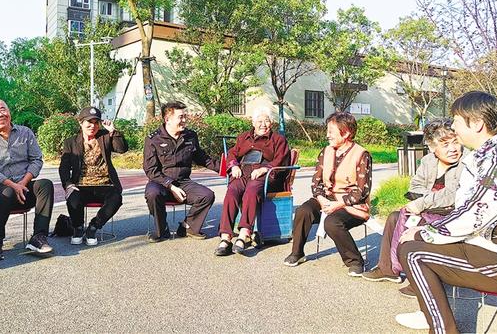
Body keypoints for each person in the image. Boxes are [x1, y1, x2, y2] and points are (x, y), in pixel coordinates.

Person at [396, 91, 497, 333]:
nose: (453, 127)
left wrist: (424, 232)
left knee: (413, 252)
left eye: (456, 120)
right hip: (485, 243)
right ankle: (434, 317)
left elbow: (475, 212)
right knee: (412, 245)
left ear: (477, 123)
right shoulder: (484, 155)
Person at [362, 118, 464, 297]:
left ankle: (421, 279)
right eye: (445, 144)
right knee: (395, 217)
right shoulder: (428, 161)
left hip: (452, 214)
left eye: (455, 142)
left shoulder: (466, 163)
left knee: (418, 223)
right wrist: (429, 200)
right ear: (432, 147)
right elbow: (415, 187)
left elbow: (453, 194)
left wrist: (423, 202)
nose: (453, 148)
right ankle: (387, 268)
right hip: (428, 209)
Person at [283, 112, 371, 277]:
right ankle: (297, 253)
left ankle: (356, 261)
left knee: (332, 222)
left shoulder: (361, 154)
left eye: (331, 131)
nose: (327, 135)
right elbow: (316, 181)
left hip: (352, 203)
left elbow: (362, 190)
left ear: (346, 133)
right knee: (303, 211)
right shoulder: (326, 151)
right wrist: (321, 199)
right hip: (327, 198)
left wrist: (338, 204)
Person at [0, 98, 54, 258]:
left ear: (9, 112)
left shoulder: (25, 132)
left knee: (45, 185)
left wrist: (23, 183)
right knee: (7, 191)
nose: (0, 114)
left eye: (3, 109)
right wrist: (12, 185)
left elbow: (36, 159)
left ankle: (38, 237)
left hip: (23, 189)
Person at [214, 106, 290, 256]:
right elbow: (232, 153)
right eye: (259, 121)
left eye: (266, 121)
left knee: (252, 190)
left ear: (271, 123)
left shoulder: (278, 140)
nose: (263, 124)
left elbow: (280, 160)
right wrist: (234, 166)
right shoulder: (244, 137)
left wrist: (265, 169)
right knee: (232, 191)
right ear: (253, 123)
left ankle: (244, 233)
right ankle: (226, 237)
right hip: (243, 172)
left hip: (264, 175)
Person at [143, 101, 219, 242]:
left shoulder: (190, 136)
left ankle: (187, 226)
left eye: (185, 116)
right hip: (160, 182)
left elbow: (202, 158)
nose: (184, 120)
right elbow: (150, 170)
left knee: (207, 195)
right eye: (181, 117)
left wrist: (226, 168)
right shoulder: (153, 139)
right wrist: (170, 186)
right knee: (153, 193)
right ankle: (162, 230)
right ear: (167, 119)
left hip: (183, 182)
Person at [59, 106, 127, 246]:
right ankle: (78, 228)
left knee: (116, 198)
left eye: (96, 123)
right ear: (81, 123)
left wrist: (113, 131)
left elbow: (121, 149)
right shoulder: (70, 142)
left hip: (105, 184)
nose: (93, 126)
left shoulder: (105, 136)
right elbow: (64, 167)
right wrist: (68, 184)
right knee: (72, 198)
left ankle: (93, 227)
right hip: (81, 184)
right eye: (89, 122)